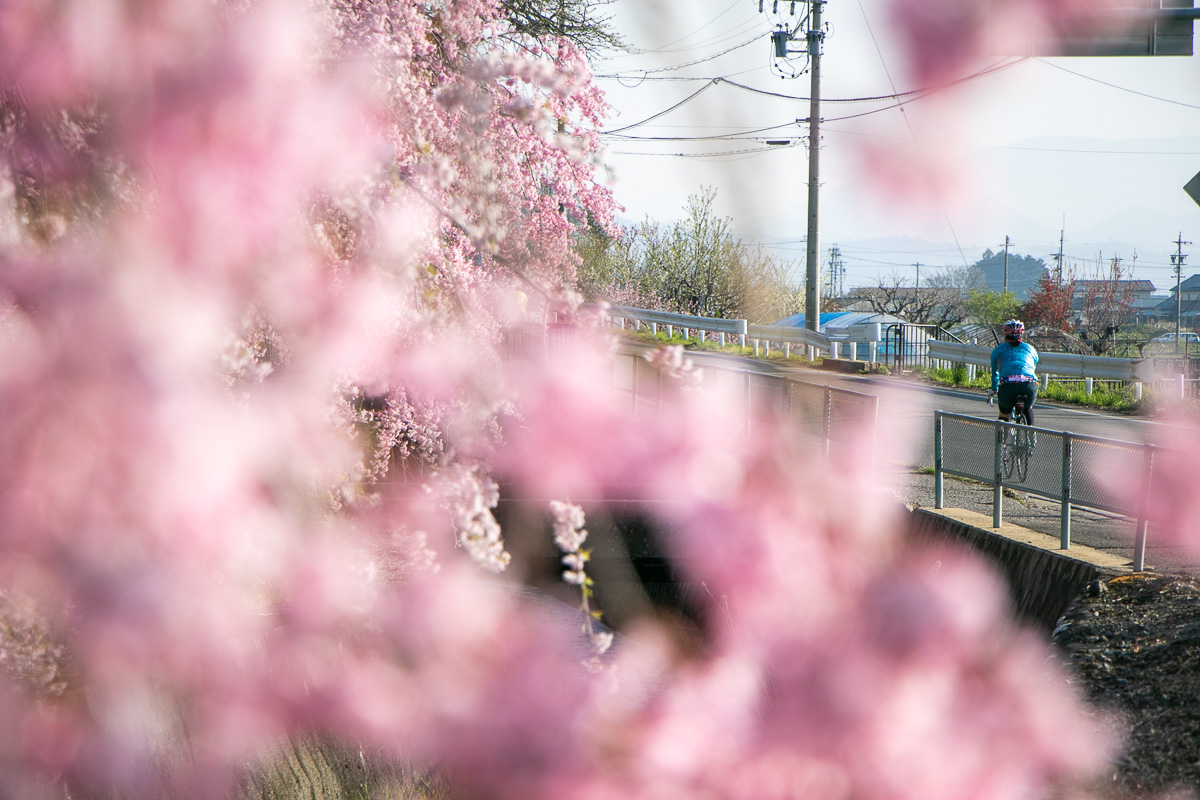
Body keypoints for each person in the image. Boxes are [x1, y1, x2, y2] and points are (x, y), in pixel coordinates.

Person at [989, 319, 1039, 425]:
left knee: (1004, 414)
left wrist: (993, 389)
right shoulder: (1030, 348)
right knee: (1028, 408)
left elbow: (995, 373)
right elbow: (1033, 365)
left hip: (1008, 386)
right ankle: (1032, 436)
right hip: (1029, 385)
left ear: (1005, 334)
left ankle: (1001, 440)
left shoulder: (999, 350)